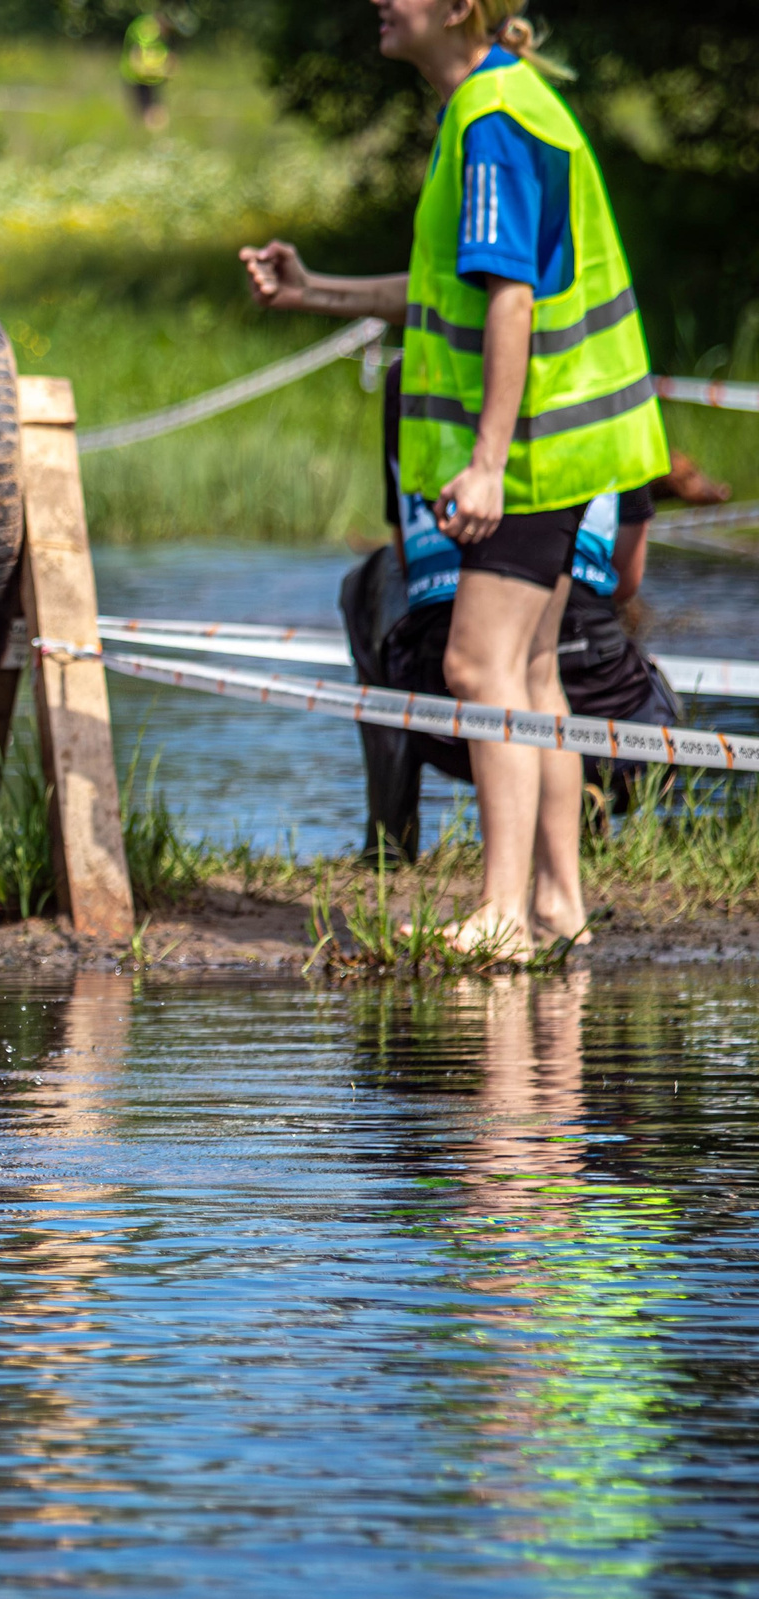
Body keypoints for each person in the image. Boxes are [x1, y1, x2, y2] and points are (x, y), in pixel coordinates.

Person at [240, 0, 667, 956]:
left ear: (461, 8)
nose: (379, 5)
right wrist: (318, 292)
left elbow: (514, 297)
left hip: (530, 450)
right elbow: (455, 286)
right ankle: (557, 902)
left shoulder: (491, 119)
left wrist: (484, 463)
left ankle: (502, 914)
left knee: (478, 666)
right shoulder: (502, 102)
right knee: (532, 675)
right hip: (565, 444)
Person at [345, 358, 679, 863]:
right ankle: (562, 829)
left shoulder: (415, 371)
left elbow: (404, 554)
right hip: (602, 703)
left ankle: (393, 840)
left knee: (496, 660)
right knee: (530, 666)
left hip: (453, 717)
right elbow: (625, 580)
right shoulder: (611, 371)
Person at [124, 12, 174, 131]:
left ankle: (152, 135)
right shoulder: (147, 31)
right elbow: (138, 55)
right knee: (146, 110)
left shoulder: (159, 37)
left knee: (154, 109)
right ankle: (148, 135)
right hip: (140, 77)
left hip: (153, 78)